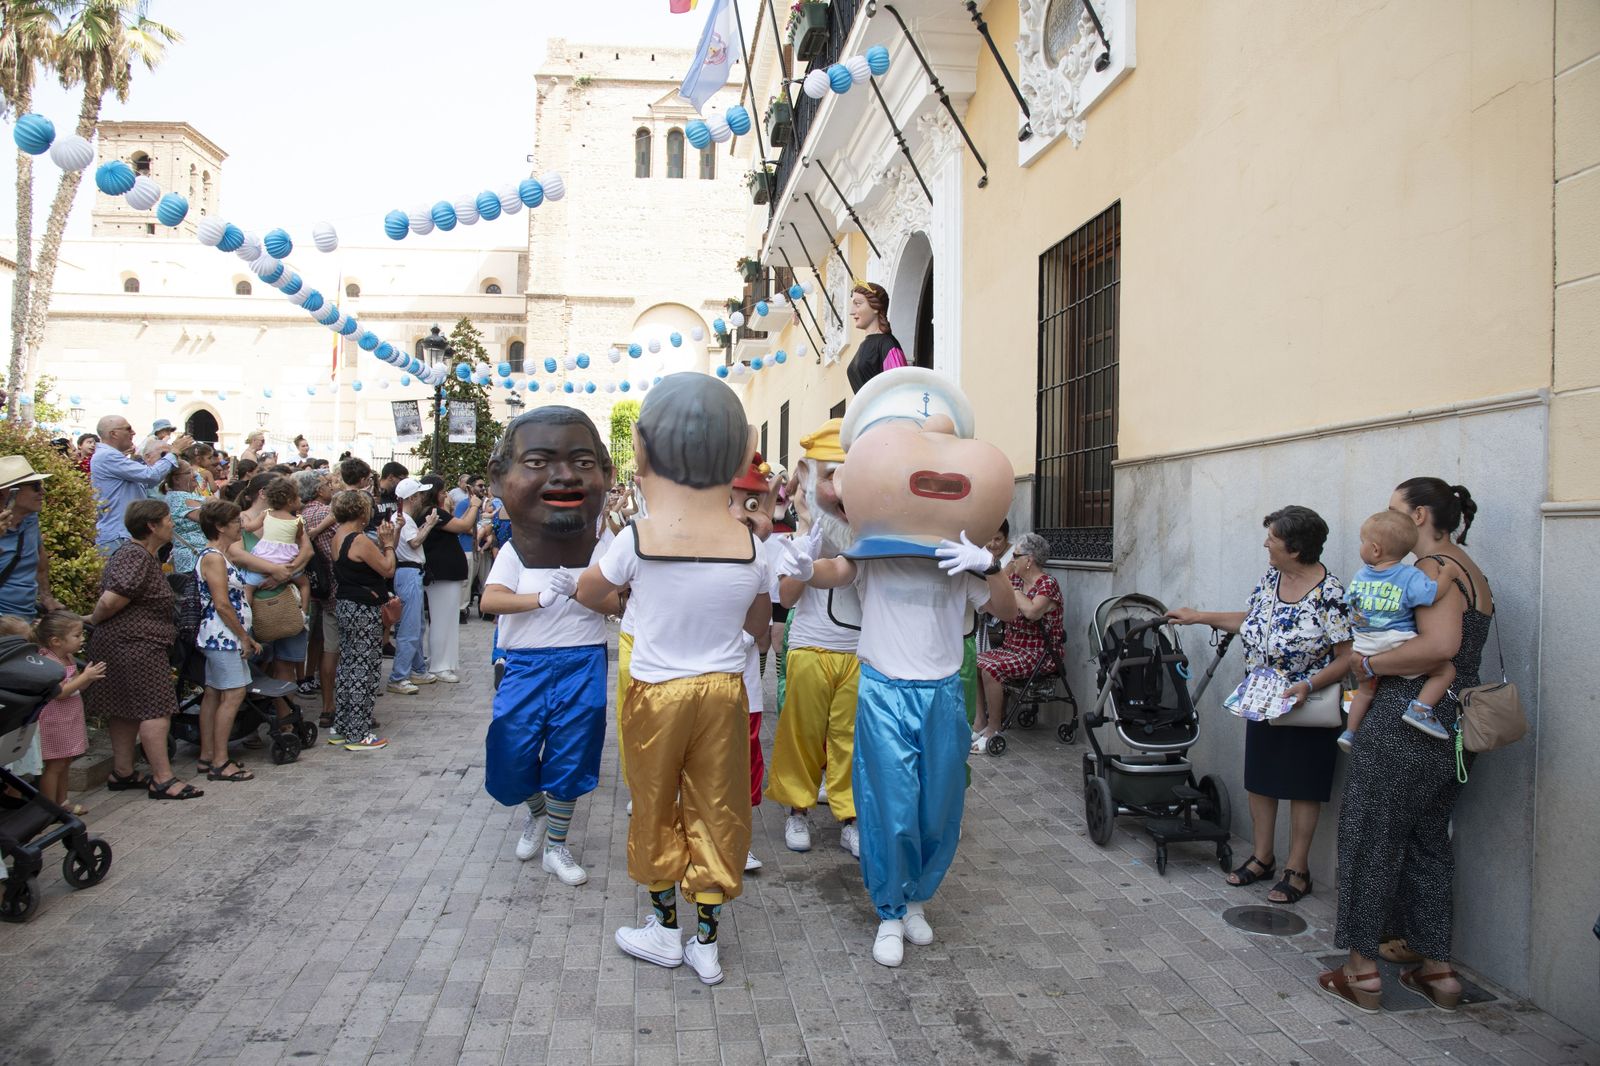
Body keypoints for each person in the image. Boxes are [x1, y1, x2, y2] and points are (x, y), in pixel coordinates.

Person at [777, 369, 1017, 968]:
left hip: (942, 693)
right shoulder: (874, 554)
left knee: (938, 805)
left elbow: (1010, 610)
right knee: (889, 805)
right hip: (884, 689)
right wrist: (805, 565)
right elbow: (834, 573)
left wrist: (988, 564)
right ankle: (887, 910)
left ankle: (916, 902)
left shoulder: (955, 559)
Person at [576, 374, 772, 987]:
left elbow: (590, 592)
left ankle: (664, 930)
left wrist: (631, 602)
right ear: (737, 454)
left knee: (655, 806)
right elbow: (760, 627)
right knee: (719, 809)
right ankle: (707, 943)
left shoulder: (638, 538)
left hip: (658, 689)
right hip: (724, 690)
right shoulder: (751, 544)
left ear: (648, 449)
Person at [1321, 480, 1489, 1014]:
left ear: (1418, 515)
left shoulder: (1433, 569)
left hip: (1406, 719)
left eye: (1393, 510)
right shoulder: (1471, 569)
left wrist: (1366, 664)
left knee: (1369, 837)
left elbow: (1441, 646)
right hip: (1452, 723)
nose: (1384, 519)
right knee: (1427, 843)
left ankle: (1361, 972)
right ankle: (1437, 971)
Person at [1166, 505, 1353, 906]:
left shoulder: (1330, 593)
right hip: (1263, 698)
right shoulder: (1272, 576)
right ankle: (1263, 857)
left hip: (1307, 705)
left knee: (1303, 788)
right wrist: (1199, 616)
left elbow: (1347, 656)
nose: (1266, 543)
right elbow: (1250, 620)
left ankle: (1298, 869)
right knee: (1261, 782)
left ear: (1297, 547)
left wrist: (1307, 684)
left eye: (1273, 538)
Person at [482, 407, 619, 887]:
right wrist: (538, 597)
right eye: (538, 462)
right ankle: (535, 813)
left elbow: (617, 600)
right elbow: (489, 599)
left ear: (606, 473)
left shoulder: (605, 549)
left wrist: (585, 590)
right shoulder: (513, 551)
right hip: (525, 662)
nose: (563, 477)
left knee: (572, 755)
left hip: (582, 660)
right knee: (510, 752)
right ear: (500, 479)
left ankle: (557, 845)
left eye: (583, 463)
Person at [767, 420, 862, 857]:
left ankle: (849, 815)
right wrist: (804, 542)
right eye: (830, 476)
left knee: (850, 738)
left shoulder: (870, 534)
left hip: (859, 653)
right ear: (808, 478)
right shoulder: (795, 539)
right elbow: (785, 597)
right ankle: (798, 809)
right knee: (801, 733)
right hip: (809, 647)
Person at [86, 498, 203, 801]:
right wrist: (94, 619)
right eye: (168, 519)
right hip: (135, 645)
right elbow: (112, 600)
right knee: (157, 710)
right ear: (152, 525)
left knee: (124, 710)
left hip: (128, 644)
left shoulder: (140, 554)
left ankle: (123, 773)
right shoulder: (135, 556)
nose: (173, 523)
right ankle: (162, 779)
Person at [1340, 511, 1455, 750]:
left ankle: (1350, 733)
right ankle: (1421, 708)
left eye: (1362, 542)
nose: (1360, 547)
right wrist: (1447, 575)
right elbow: (1432, 594)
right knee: (1446, 670)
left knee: (1365, 691)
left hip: (1363, 644)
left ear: (1375, 550)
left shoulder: (1361, 576)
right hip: (1396, 642)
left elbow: (1349, 603)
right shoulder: (1409, 575)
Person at [729, 452, 781, 873]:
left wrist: (745, 636)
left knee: (745, 761)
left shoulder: (762, 555)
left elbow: (762, 629)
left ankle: (738, 839)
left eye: (755, 504)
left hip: (743, 681)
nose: (747, 514)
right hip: (702, 679)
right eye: (737, 501)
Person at [972, 532, 1063, 752]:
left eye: (1016, 555)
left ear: (1029, 560)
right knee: (974, 661)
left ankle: (994, 728)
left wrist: (1012, 592)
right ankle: (979, 723)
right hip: (1013, 648)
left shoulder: (1047, 585)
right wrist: (1006, 574)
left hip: (1038, 654)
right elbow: (990, 590)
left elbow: (1032, 612)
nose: (1012, 559)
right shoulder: (1015, 579)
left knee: (990, 668)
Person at [194, 498, 259, 783]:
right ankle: (220, 761)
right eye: (234, 522)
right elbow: (222, 603)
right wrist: (244, 636)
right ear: (219, 527)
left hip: (219, 636)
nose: (239, 525)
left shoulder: (219, 555)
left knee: (214, 693)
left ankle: (208, 754)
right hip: (223, 637)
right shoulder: (214, 557)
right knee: (233, 694)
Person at [328, 490, 397, 750]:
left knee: (348, 665)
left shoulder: (338, 536)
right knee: (363, 669)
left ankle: (343, 725)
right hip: (362, 608)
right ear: (361, 512)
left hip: (346, 604)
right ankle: (358, 733)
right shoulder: (358, 540)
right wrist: (389, 544)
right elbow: (387, 568)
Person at [33, 611, 106, 814]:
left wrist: (87, 678)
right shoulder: (49, 661)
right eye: (77, 635)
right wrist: (85, 677)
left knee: (65, 762)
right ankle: (49, 809)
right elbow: (60, 693)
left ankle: (62, 802)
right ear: (56, 641)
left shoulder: (67, 657)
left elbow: (74, 687)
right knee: (55, 765)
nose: (82, 639)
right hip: (54, 720)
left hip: (68, 717)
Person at [90, 414, 192, 555]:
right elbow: (150, 476)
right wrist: (173, 452)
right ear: (113, 434)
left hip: (123, 535)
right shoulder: (107, 456)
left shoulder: (112, 456)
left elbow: (146, 481)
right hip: (118, 536)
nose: (133, 433)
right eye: (128, 429)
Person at [422, 475, 478, 683]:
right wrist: (473, 506)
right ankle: (440, 664)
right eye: (443, 491)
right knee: (443, 620)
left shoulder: (436, 512)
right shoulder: (432, 512)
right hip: (442, 574)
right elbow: (463, 526)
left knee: (444, 619)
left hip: (446, 573)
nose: (446, 494)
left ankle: (442, 661)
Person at [297, 469, 340, 719]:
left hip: (318, 585)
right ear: (316, 490)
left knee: (322, 640)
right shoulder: (323, 513)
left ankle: (319, 690)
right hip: (334, 584)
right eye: (325, 483)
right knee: (331, 647)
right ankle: (330, 702)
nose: (330, 486)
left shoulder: (304, 514)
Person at [388, 477, 436, 693]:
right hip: (408, 573)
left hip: (411, 573)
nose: (422, 499)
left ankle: (417, 669)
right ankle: (399, 676)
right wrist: (430, 525)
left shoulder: (404, 518)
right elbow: (414, 542)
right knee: (409, 627)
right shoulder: (403, 518)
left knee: (416, 625)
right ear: (412, 497)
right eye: (419, 495)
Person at [0, 458, 64, 618]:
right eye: (35, 486)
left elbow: (39, 556)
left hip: (25, 618)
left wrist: (46, 597)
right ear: (9, 492)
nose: (42, 492)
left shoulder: (30, 519)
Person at [247, 476, 312, 620]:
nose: (300, 499)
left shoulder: (266, 514)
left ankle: (247, 615)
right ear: (290, 501)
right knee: (305, 584)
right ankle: (304, 613)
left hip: (263, 561)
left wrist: (244, 524)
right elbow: (300, 537)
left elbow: (250, 527)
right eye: (297, 497)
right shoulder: (297, 521)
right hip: (286, 563)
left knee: (248, 588)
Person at [845, 282, 908, 393]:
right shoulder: (864, 345)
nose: (852, 311)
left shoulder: (887, 344)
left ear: (875, 307)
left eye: (858, 304)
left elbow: (899, 388)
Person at [163, 460, 207, 580]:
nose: (195, 475)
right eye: (189, 472)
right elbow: (211, 517)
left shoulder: (176, 496)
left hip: (193, 558)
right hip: (193, 559)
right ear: (176, 479)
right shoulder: (179, 497)